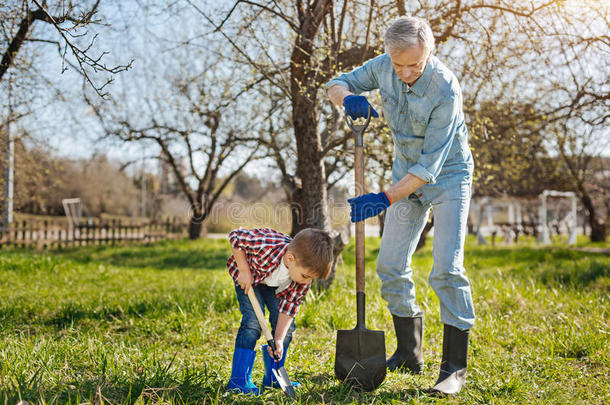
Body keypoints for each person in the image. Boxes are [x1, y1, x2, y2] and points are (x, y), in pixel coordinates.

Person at [326, 16, 475, 395]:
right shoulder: (383, 66)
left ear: (430, 54)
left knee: (446, 268)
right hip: (405, 175)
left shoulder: (445, 89)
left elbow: (429, 168)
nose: (406, 73)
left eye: (416, 65)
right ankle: (409, 353)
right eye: (399, 65)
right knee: (390, 265)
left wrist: (382, 199)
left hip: (448, 178)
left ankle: (454, 370)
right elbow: (335, 83)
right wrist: (349, 98)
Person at [225, 227, 334, 395]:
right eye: (306, 276)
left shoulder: (301, 280)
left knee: (285, 330)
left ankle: (273, 376)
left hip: (274, 286)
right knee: (253, 323)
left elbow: (289, 308)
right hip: (250, 279)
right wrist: (244, 270)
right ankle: (238, 380)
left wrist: (279, 340)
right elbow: (236, 236)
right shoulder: (266, 246)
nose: (307, 281)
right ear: (290, 259)